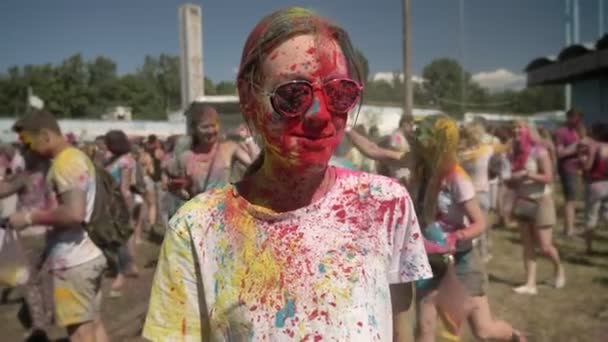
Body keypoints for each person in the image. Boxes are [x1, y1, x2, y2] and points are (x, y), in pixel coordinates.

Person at [143, 7, 432, 341]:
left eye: (339, 93)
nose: (319, 115)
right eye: (292, 94)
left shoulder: (384, 206)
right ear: (249, 99)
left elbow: (402, 333)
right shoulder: (196, 229)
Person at [412, 115, 523, 342]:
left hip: (462, 262)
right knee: (424, 328)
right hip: (430, 262)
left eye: (425, 138)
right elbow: (379, 152)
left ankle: (515, 336)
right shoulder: (423, 172)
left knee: (484, 331)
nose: (420, 142)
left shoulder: (456, 177)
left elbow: (480, 223)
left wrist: (455, 237)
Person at [9, 110, 109, 342]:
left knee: (79, 333)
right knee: (93, 323)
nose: (26, 150)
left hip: (74, 260)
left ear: (44, 135)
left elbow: (74, 214)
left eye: (28, 142)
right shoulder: (77, 157)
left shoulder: (66, 163)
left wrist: (29, 217)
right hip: (89, 254)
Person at [509, 120, 565, 295]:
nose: (516, 130)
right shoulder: (514, 152)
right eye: (514, 128)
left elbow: (548, 177)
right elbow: (512, 181)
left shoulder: (539, 151)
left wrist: (527, 174)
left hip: (541, 201)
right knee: (527, 245)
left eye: (520, 127)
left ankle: (559, 269)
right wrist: (512, 180)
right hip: (523, 200)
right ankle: (530, 284)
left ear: (528, 130)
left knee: (545, 246)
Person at [165, 103, 258, 201]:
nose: (210, 131)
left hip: (225, 211)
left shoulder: (229, 148)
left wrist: (249, 139)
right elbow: (188, 196)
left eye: (213, 125)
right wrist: (177, 192)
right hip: (201, 213)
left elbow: (257, 164)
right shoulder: (186, 158)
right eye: (205, 127)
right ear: (194, 129)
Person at [104, 130, 139, 297]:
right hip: (109, 203)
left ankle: (121, 272)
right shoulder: (111, 159)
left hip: (120, 203)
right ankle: (129, 265)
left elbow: (125, 188)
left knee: (119, 238)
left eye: (108, 142)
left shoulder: (125, 161)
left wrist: (128, 209)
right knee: (122, 236)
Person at [578, 123, 608, 254]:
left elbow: (588, 166)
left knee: (591, 217)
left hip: (595, 184)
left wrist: (581, 158)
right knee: (607, 215)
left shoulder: (594, 147)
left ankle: (588, 247)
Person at [554, 109, 584, 236]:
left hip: (577, 168)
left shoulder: (578, 131)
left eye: (579, 119)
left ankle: (570, 227)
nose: (578, 122)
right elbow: (560, 153)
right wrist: (577, 145)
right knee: (570, 200)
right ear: (568, 118)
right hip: (567, 168)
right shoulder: (561, 132)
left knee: (574, 200)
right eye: (575, 118)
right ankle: (569, 230)